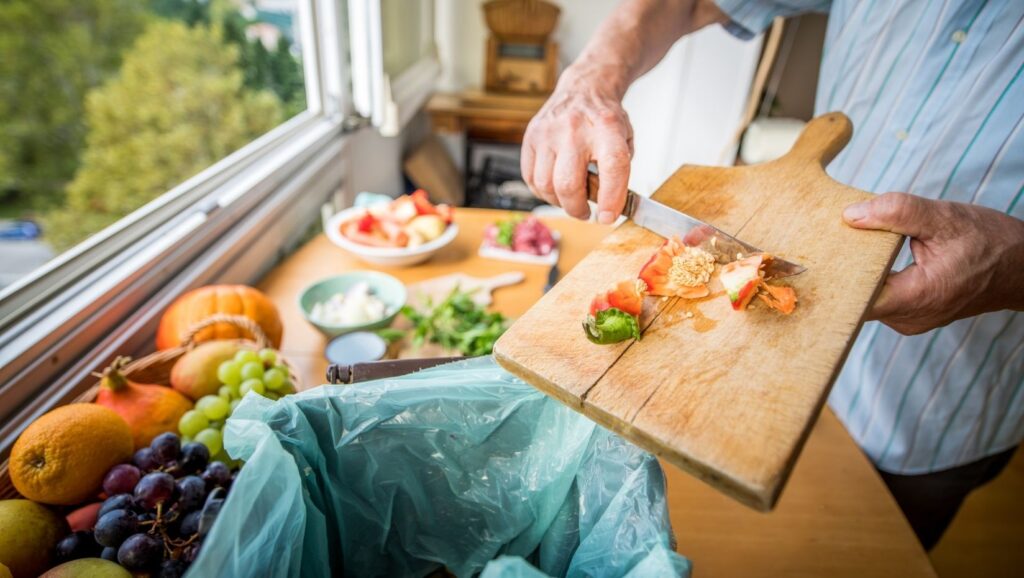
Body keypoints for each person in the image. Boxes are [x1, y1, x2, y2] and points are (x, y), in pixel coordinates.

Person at [521, 0, 1024, 550]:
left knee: (854, 551)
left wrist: (1009, 263)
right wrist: (587, 76)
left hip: (928, 400)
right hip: (753, 378)